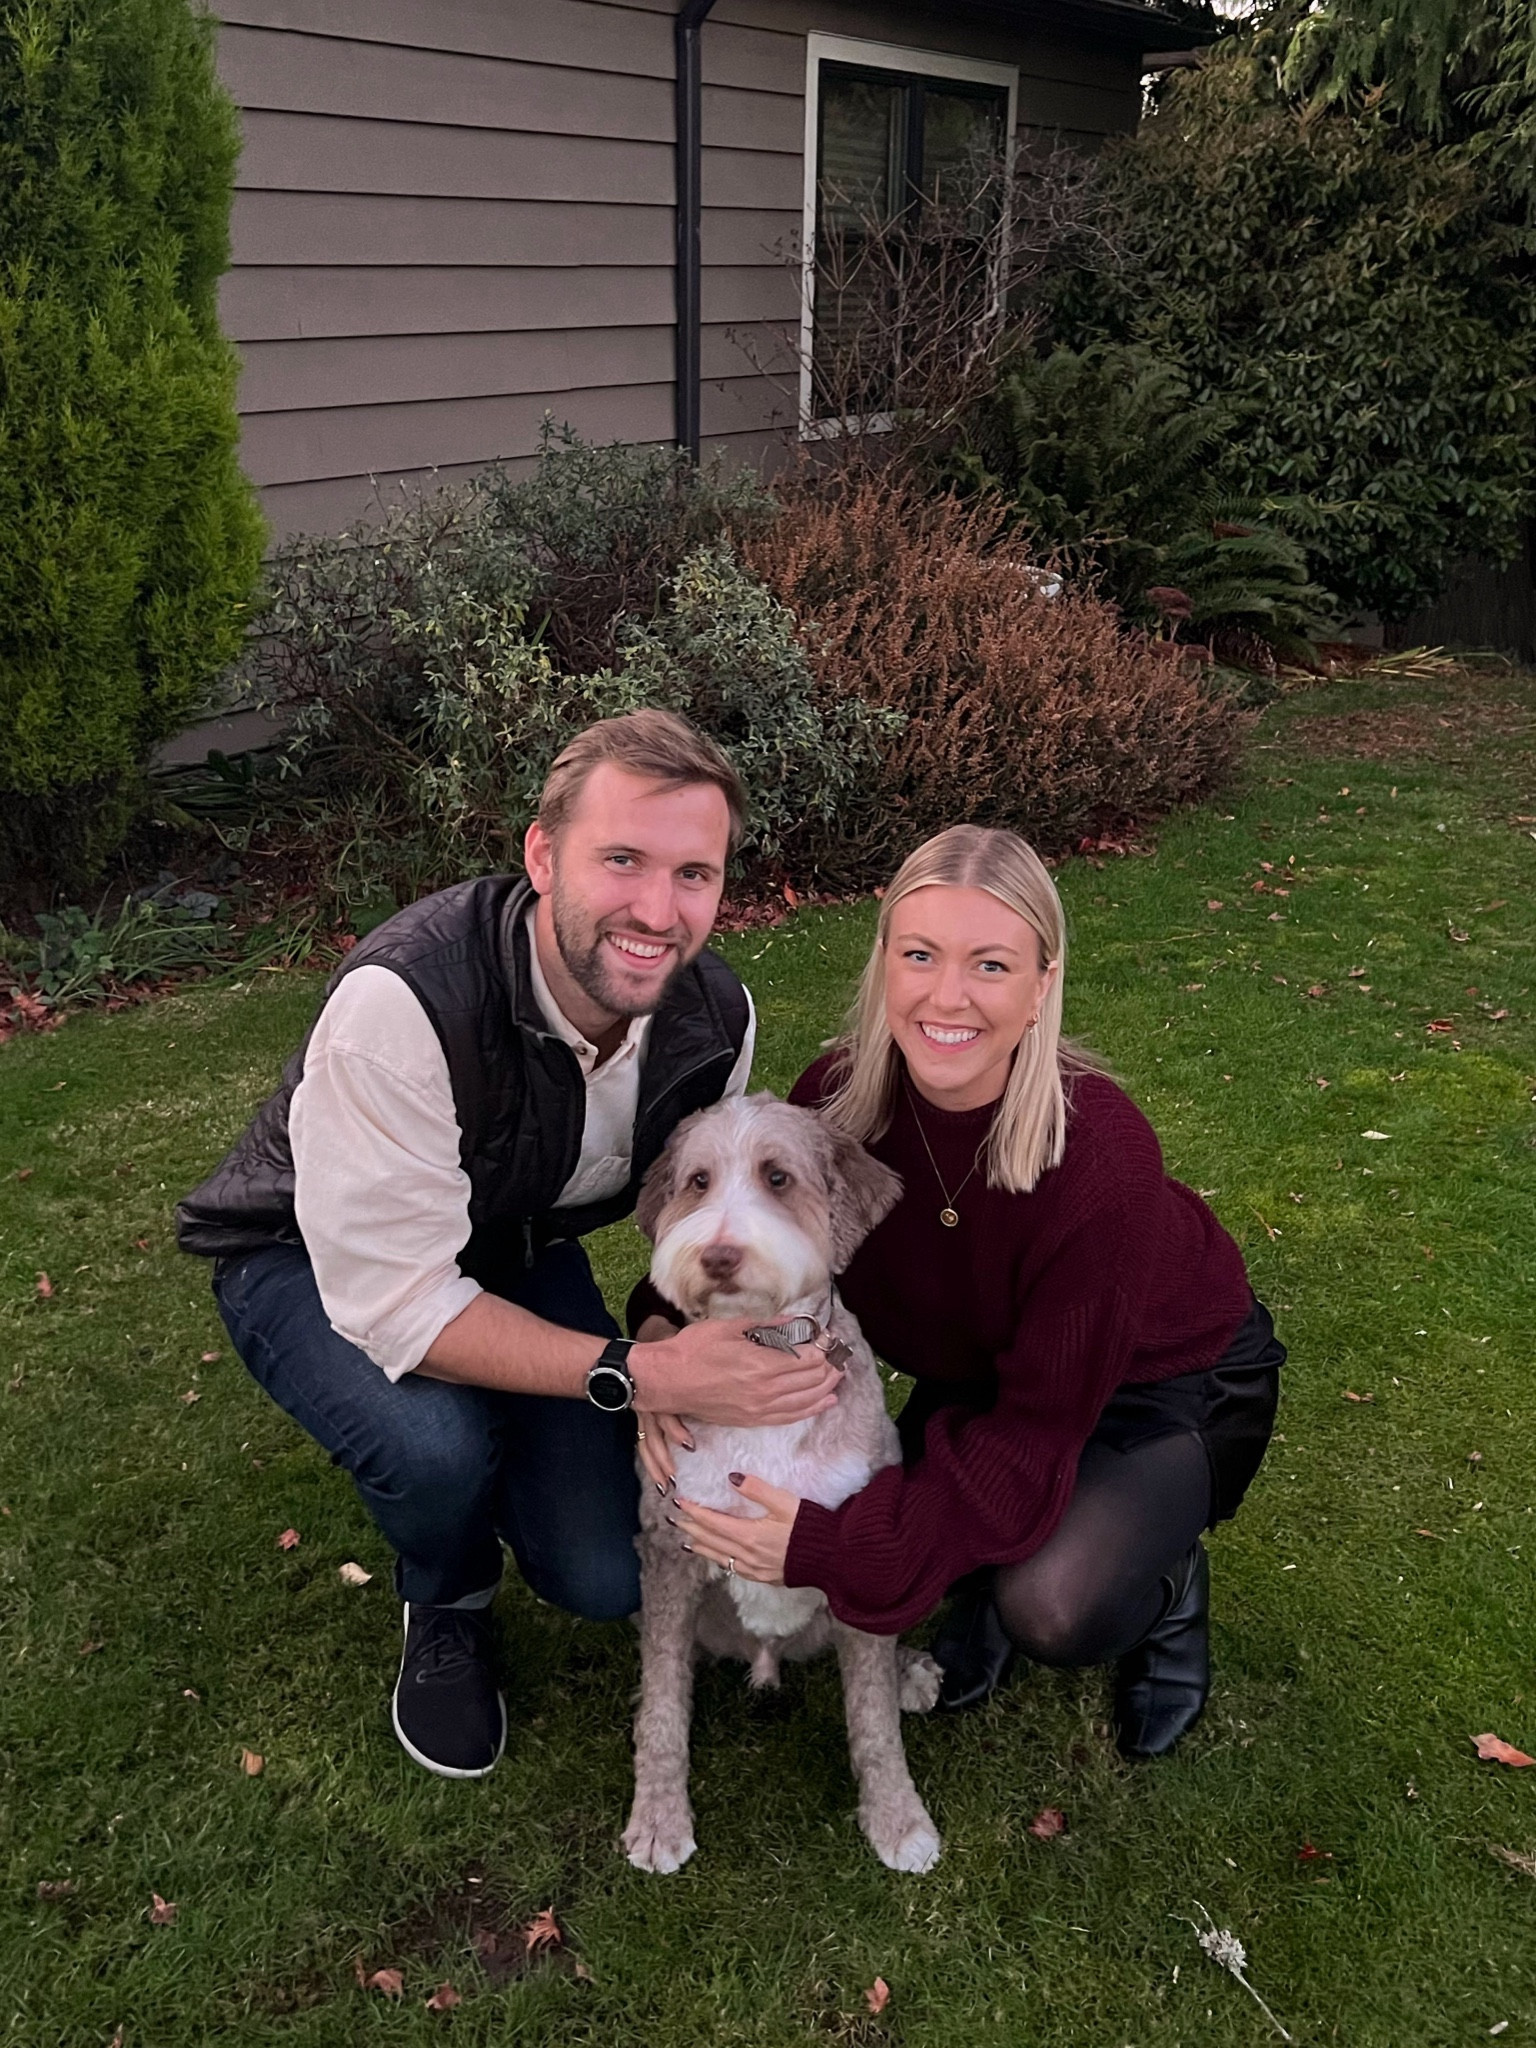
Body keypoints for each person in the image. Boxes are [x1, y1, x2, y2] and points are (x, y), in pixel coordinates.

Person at [176, 711, 845, 1780]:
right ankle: (448, 1596)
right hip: (306, 1257)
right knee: (435, 1447)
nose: (657, 910)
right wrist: (641, 1369)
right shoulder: (402, 1005)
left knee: (603, 1571)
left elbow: (690, 1216)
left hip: (509, 1238)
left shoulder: (715, 1017)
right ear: (541, 854)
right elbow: (396, 1301)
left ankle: (510, 1456)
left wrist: (670, 1331)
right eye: (619, 859)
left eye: (693, 873)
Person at [665, 824, 1283, 1757]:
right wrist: (660, 1355)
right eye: (920, 955)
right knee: (936, 1529)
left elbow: (1036, 1431)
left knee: (1052, 1604)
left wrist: (832, 1553)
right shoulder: (833, 1109)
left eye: (990, 964)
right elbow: (747, 1261)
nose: (946, 997)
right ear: (883, 967)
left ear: (1042, 984)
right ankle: (998, 1568)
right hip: (987, 1369)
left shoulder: (1102, 1157)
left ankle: (1168, 1581)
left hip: (1165, 1381)